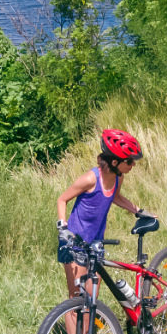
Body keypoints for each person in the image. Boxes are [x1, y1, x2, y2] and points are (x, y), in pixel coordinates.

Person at [55, 129, 151, 312]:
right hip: (74, 242)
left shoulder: (117, 177)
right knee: (76, 298)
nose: (133, 165)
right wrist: (63, 227)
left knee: (91, 299)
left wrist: (139, 211)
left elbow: (116, 197)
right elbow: (62, 199)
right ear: (115, 162)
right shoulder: (91, 179)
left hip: (95, 243)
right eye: (129, 161)